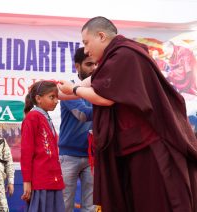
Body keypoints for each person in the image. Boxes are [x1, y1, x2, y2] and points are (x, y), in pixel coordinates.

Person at [58, 16, 197, 212]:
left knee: (154, 202)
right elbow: (93, 82)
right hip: (129, 147)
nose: (86, 50)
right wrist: (60, 93)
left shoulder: (125, 55)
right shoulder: (116, 57)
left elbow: (105, 97)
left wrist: (73, 90)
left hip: (148, 146)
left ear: (101, 36)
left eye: (86, 42)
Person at [58, 47, 95, 212]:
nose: (93, 68)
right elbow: (83, 114)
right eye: (89, 64)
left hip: (93, 156)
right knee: (65, 205)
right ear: (77, 66)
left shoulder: (100, 90)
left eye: (96, 64)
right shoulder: (68, 89)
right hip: (68, 156)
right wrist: (107, 105)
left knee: (91, 207)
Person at [20, 80, 65, 212]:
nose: (56, 101)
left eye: (57, 97)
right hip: (41, 182)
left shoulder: (45, 118)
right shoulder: (32, 117)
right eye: (52, 97)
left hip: (52, 180)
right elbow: (26, 152)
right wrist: (27, 181)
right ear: (38, 99)